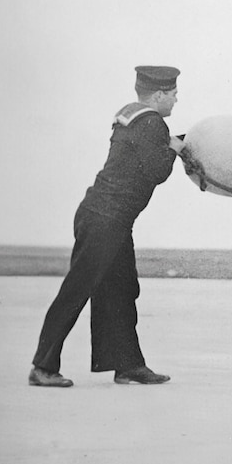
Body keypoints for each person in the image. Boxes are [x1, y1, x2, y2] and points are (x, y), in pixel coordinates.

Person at [30, 66, 188, 387]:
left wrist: (172, 143)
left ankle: (127, 365)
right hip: (106, 219)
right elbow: (157, 169)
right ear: (158, 95)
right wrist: (176, 147)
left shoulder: (131, 116)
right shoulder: (153, 123)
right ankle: (42, 367)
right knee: (77, 290)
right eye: (172, 94)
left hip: (105, 216)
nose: (176, 99)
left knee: (121, 288)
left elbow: (144, 154)